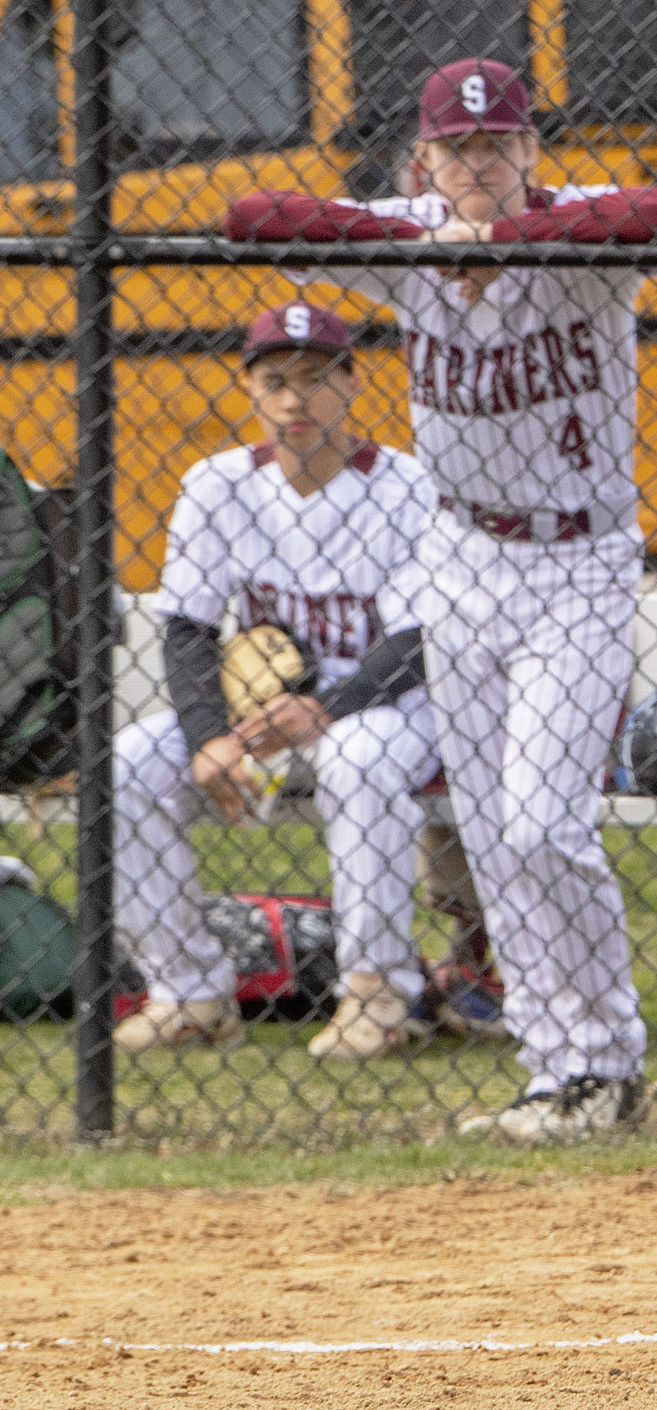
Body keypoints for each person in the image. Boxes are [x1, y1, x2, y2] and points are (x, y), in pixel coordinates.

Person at [225, 59, 657, 1140]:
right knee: (486, 828)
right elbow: (252, 215)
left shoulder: (575, 234)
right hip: (463, 556)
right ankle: (552, 1067)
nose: (478, 164)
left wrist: (497, 244)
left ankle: (610, 1059)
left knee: (542, 825)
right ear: (425, 159)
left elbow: (654, 215)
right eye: (456, 149)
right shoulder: (410, 230)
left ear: (529, 151)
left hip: (579, 558)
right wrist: (427, 246)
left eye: (497, 145)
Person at [111, 302, 448, 1062]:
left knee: (357, 756)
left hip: (390, 705)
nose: (297, 399)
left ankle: (377, 992)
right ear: (251, 391)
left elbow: (417, 639)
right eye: (277, 381)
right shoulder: (216, 483)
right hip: (258, 712)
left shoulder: (406, 486)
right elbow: (189, 628)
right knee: (129, 765)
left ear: (354, 384)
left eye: (317, 378)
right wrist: (206, 740)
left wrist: (324, 708)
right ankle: (189, 990)